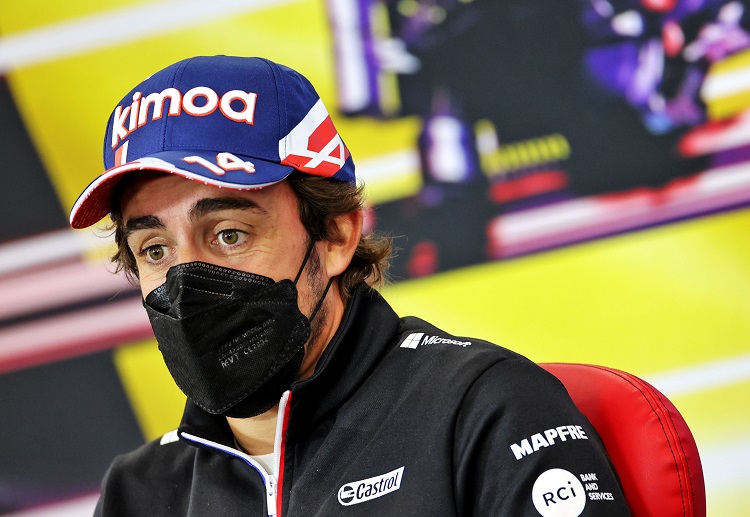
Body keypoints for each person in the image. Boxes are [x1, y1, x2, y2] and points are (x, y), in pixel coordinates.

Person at [70, 55, 631, 516]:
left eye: (230, 234)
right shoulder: (138, 493)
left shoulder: (483, 410)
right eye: (155, 250)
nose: (187, 278)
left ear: (336, 234)